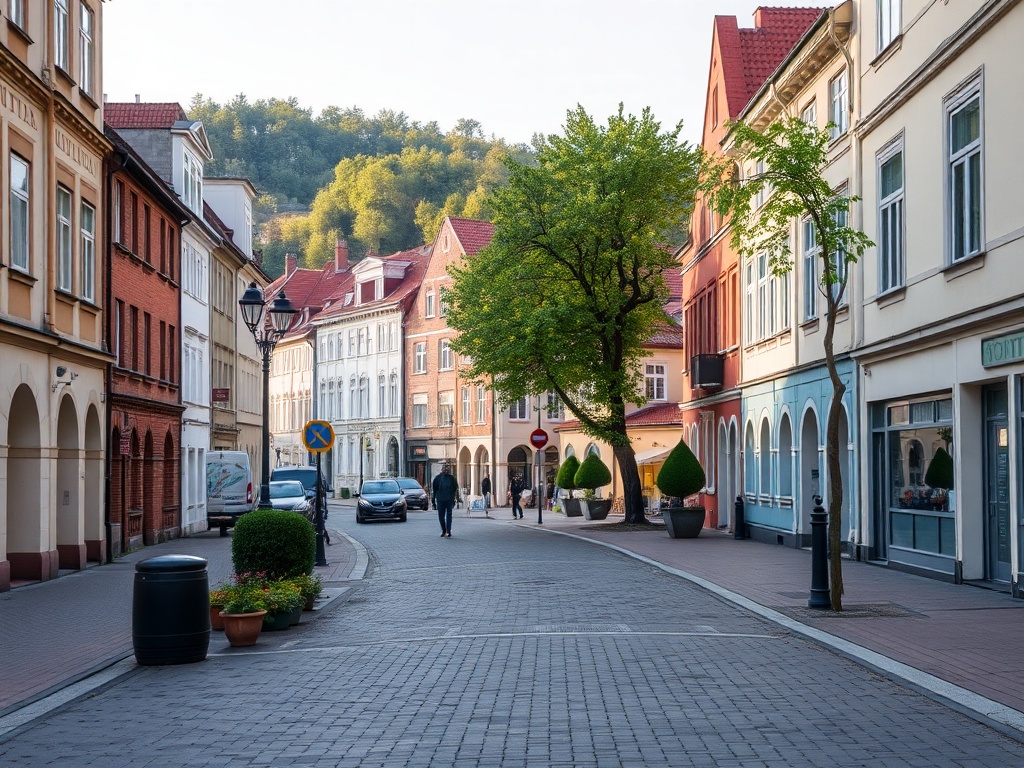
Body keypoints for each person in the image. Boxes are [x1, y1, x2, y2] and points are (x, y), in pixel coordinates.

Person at [431, 464, 460, 538]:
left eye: (447, 469)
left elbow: (434, 490)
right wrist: (456, 498)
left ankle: (446, 530)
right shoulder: (450, 478)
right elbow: (456, 489)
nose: (446, 470)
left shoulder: (439, 478)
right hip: (446, 499)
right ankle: (446, 530)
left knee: (444, 515)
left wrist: (433, 500)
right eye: (446, 469)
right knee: (446, 515)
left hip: (444, 499)